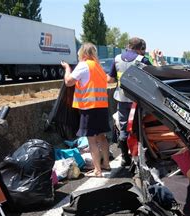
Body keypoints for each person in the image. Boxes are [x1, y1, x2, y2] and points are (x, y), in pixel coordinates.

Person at [61, 43, 110, 177]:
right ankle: (106, 163)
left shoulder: (84, 65)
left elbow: (69, 82)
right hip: (102, 107)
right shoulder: (99, 67)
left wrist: (67, 68)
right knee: (102, 137)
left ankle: (97, 170)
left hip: (89, 107)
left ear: (82, 53)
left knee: (92, 140)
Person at [107, 37, 152, 167]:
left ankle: (125, 158)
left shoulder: (116, 59)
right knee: (140, 128)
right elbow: (154, 78)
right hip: (137, 101)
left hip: (121, 99)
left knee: (123, 129)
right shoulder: (142, 60)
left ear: (128, 46)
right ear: (141, 48)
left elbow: (110, 79)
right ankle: (141, 157)